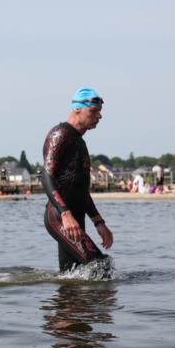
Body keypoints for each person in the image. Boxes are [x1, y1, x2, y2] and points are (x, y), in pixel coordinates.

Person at [41, 87, 114, 273]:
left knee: (70, 276)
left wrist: (99, 222)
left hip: (76, 216)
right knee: (101, 266)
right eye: (94, 111)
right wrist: (65, 214)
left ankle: (69, 302)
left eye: (99, 112)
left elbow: (80, 189)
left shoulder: (80, 142)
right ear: (77, 109)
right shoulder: (60, 134)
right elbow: (46, 176)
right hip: (60, 217)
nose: (99, 116)